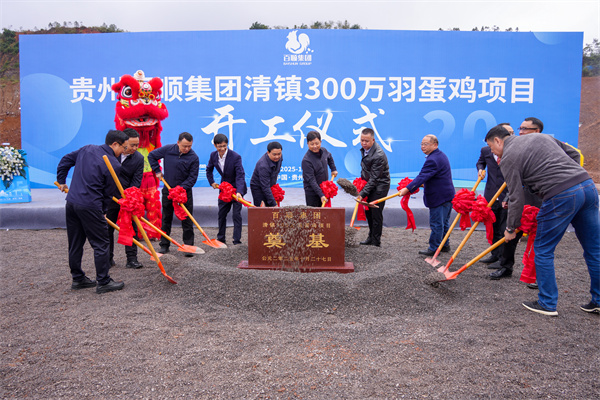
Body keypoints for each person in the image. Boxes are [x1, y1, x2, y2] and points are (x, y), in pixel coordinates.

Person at [485, 125, 599, 316]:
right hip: (587, 187)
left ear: (498, 140)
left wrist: (511, 228)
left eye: (491, 147)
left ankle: (547, 302)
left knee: (543, 249)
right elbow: (574, 154)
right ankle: (599, 300)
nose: (492, 152)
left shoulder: (508, 157)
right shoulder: (542, 137)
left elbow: (516, 197)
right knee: (594, 249)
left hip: (560, 195)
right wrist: (571, 175)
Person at [487, 117, 581, 283]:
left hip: (544, 200)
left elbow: (574, 154)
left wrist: (560, 180)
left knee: (540, 244)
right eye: (520, 128)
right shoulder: (537, 141)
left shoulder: (516, 153)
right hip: (578, 187)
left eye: (525, 129)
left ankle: (539, 280)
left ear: (536, 131)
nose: (520, 132)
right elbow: (514, 187)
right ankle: (506, 266)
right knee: (593, 249)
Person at [56, 129, 128, 294]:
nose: (123, 151)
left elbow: (66, 160)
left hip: (72, 202)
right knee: (101, 243)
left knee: (75, 242)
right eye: (123, 147)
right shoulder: (114, 164)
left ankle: (78, 278)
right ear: (114, 144)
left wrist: (62, 181)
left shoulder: (87, 149)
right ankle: (103, 281)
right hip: (90, 205)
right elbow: (107, 193)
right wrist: (103, 211)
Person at [398, 134, 454, 256]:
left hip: (439, 197)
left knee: (437, 223)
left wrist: (407, 189)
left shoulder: (432, 159)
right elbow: (433, 176)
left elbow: (422, 176)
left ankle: (434, 248)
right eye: (422, 144)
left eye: (426, 144)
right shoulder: (440, 155)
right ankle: (445, 245)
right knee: (444, 222)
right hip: (447, 194)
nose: (422, 146)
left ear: (435, 145)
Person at [148, 132, 199, 254]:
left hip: (184, 193)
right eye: (184, 146)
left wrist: (180, 189)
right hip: (168, 190)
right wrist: (157, 171)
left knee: (187, 219)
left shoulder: (194, 157)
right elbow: (151, 155)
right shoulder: (168, 149)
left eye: (189, 146)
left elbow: (192, 178)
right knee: (166, 218)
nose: (187, 149)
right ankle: (164, 245)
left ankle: (188, 246)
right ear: (178, 143)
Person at [106, 128, 145, 269]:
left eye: (137, 145)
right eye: (132, 145)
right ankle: (107, 258)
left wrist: (129, 198)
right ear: (123, 142)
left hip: (127, 199)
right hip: (110, 197)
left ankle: (132, 259)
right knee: (107, 228)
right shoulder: (110, 154)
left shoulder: (138, 158)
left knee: (131, 227)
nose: (135, 148)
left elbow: (136, 181)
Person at [476, 123, 513, 267]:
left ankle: (502, 260)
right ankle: (494, 254)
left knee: (504, 228)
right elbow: (480, 163)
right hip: (491, 194)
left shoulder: (512, 152)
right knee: (493, 227)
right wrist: (480, 169)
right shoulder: (486, 150)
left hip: (506, 195)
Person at [206, 133, 247, 245]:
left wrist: (239, 192)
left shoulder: (235, 157)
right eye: (220, 146)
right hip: (224, 190)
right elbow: (209, 170)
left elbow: (240, 175)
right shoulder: (213, 155)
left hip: (236, 189)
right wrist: (212, 182)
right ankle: (221, 239)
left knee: (236, 215)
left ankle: (237, 241)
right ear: (215, 145)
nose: (223, 149)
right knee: (222, 214)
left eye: (225, 146)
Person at [357, 128, 390, 247]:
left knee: (376, 213)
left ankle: (376, 241)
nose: (364, 143)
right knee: (369, 212)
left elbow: (375, 178)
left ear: (373, 140)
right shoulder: (365, 150)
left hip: (380, 186)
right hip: (370, 185)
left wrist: (362, 193)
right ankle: (370, 237)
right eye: (362, 140)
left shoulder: (378, 155)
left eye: (366, 141)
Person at [301, 131, 338, 207]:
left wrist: (333, 169)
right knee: (314, 213)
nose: (315, 146)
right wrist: (321, 195)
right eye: (312, 144)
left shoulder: (324, 151)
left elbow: (329, 157)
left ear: (320, 142)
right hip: (312, 193)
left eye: (317, 143)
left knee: (325, 213)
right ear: (307, 144)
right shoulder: (306, 160)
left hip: (324, 189)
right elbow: (311, 180)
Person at [250, 141, 283, 207]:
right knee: (262, 209)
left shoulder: (279, 157)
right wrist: (274, 204)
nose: (277, 156)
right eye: (274, 154)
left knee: (271, 206)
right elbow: (265, 187)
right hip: (258, 187)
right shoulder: (263, 166)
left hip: (269, 184)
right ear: (268, 153)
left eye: (279, 154)